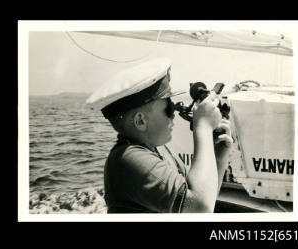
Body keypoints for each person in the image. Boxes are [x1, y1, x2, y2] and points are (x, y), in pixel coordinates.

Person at [86, 57, 233, 213]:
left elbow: (204, 199)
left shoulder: (157, 150)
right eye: (168, 107)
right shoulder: (128, 159)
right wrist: (202, 126)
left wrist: (218, 156)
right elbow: (200, 208)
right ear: (140, 121)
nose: (174, 112)